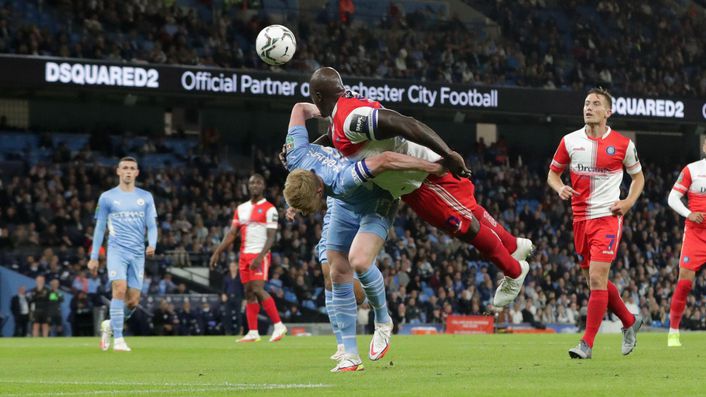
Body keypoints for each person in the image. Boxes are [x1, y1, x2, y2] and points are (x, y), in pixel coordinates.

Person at [307, 67, 533, 309]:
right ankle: (512, 246)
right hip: (410, 182)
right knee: (468, 211)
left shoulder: (350, 118)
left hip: (423, 176)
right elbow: (334, 138)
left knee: (465, 226)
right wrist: (306, 150)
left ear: (318, 97)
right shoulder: (342, 116)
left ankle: (514, 271)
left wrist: (448, 153)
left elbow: (403, 123)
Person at [282, 102, 444, 371]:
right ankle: (350, 355)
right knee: (336, 270)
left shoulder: (342, 178)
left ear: (320, 192)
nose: (307, 214)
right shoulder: (295, 156)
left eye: (308, 208)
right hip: (346, 204)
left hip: (377, 201)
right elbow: (299, 108)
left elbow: (385, 160)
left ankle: (382, 320)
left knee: (358, 261)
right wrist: (330, 114)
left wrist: (431, 167)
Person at [547, 88, 645, 359]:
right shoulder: (569, 141)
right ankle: (629, 321)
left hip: (607, 218)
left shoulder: (623, 145)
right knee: (595, 282)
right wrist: (559, 188)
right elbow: (553, 174)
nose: (589, 107)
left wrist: (627, 202)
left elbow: (639, 179)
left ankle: (586, 344)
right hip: (579, 220)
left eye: (595, 104)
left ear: (607, 112)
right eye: (587, 103)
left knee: (597, 278)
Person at [89, 156, 158, 352]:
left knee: (133, 301)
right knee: (119, 289)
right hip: (117, 250)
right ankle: (119, 339)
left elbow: (152, 225)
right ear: (118, 171)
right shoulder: (107, 197)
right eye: (125, 168)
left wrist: (152, 243)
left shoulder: (145, 197)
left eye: (132, 168)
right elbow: (100, 228)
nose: (128, 171)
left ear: (137, 173)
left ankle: (110, 325)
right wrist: (94, 256)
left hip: (137, 254)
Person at [209, 174, 286, 343]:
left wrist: (261, 256)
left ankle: (279, 325)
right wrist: (218, 251)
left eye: (258, 183)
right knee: (249, 293)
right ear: (248, 186)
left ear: (263, 186)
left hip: (259, 254)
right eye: (252, 183)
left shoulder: (270, 209)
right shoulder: (241, 208)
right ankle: (253, 332)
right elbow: (231, 234)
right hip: (244, 256)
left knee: (258, 289)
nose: (255, 185)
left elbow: (271, 237)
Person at [666, 139, 706, 347]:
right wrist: (689, 214)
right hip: (696, 234)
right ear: (704, 147)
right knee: (684, 283)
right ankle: (673, 331)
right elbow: (672, 198)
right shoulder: (692, 170)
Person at [221, 261, 244, 335]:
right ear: (229, 268)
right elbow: (223, 288)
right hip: (229, 297)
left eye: (234, 266)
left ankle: (238, 331)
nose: (233, 268)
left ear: (237, 267)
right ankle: (228, 331)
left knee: (238, 315)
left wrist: (245, 299)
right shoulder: (226, 277)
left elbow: (243, 288)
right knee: (227, 314)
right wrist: (223, 294)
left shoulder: (241, 277)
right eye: (231, 266)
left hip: (238, 297)